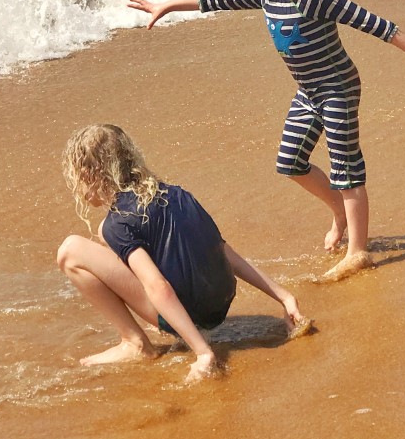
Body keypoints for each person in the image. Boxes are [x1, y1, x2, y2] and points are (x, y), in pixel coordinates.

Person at [128, 0, 405, 281]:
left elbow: (370, 21)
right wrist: (166, 5)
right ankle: (339, 211)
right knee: (290, 162)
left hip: (337, 89)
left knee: (346, 168)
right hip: (308, 92)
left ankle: (358, 251)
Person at [56, 123, 309, 384]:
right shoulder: (177, 194)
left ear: (89, 173)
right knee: (107, 235)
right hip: (219, 303)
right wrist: (284, 296)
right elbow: (222, 250)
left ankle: (135, 343)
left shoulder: (118, 223)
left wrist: (203, 352)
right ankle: (172, 326)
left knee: (70, 251)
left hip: (195, 315)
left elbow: (158, 286)